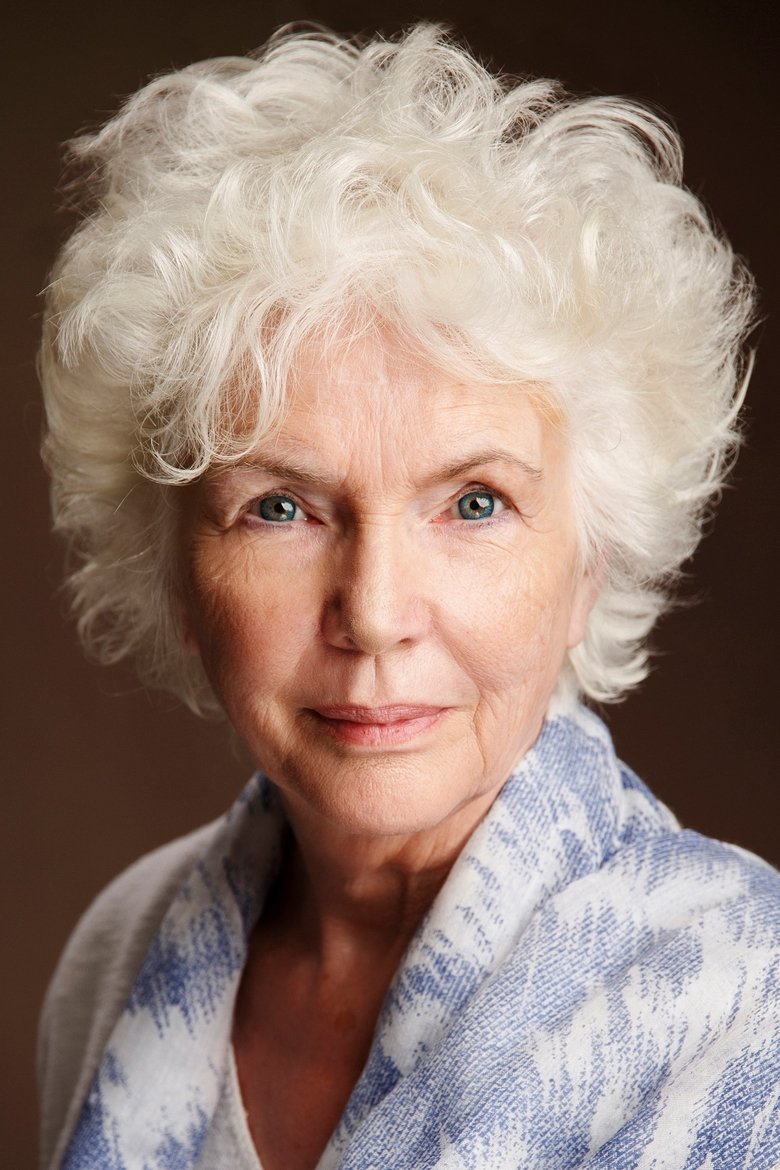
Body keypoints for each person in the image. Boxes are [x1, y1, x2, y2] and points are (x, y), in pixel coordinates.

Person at [37, 24, 780, 1170]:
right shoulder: (120, 951)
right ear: (173, 569)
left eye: (473, 502)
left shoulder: (748, 1002)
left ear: (591, 565)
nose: (375, 612)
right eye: (282, 506)